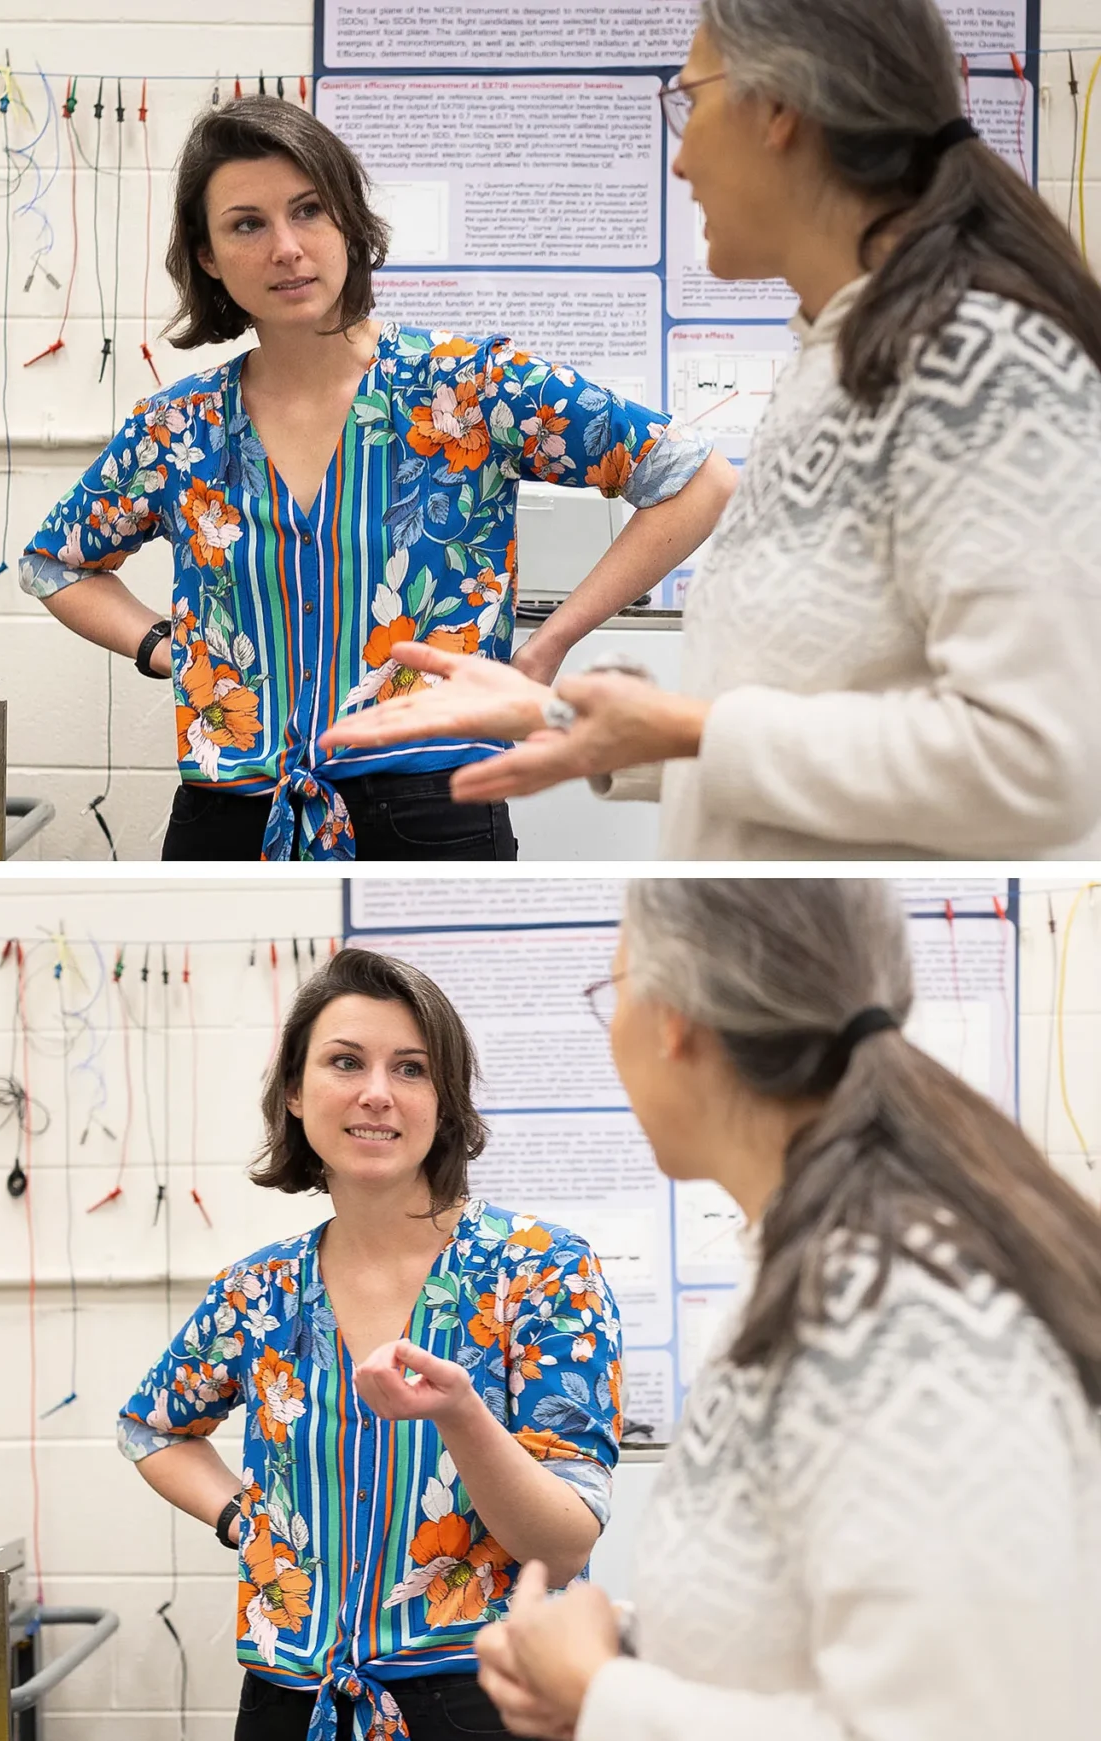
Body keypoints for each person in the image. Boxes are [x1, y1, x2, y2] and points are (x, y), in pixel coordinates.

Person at [322, 0, 1101, 858]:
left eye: (692, 102)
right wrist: (576, 719)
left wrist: (686, 726)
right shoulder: (835, 361)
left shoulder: (984, 365)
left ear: (780, 110)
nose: (682, 159)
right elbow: (821, 705)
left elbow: (1040, 765)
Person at [22, 95, 732, 861]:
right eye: (246, 224)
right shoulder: (176, 429)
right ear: (208, 257)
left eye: (309, 211)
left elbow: (698, 480)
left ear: (349, 226)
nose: (286, 247)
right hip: (226, 817)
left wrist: (546, 645)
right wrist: (166, 647)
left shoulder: (467, 387)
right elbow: (53, 563)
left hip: (434, 806)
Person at [473, 879, 1101, 1736]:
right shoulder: (818, 1267)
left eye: (614, 991)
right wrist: (621, 1650)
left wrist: (602, 1695)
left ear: (674, 1021)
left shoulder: (899, 1312)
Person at [122, 947, 625, 1741]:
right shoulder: (260, 1290)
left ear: (445, 1099)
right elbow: (150, 1427)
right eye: (345, 1061)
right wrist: (247, 1522)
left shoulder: (540, 1271)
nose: (377, 1094)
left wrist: (461, 1415)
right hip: (290, 1702)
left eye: (413, 1068)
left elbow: (561, 1547)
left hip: (483, 1699)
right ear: (295, 1090)